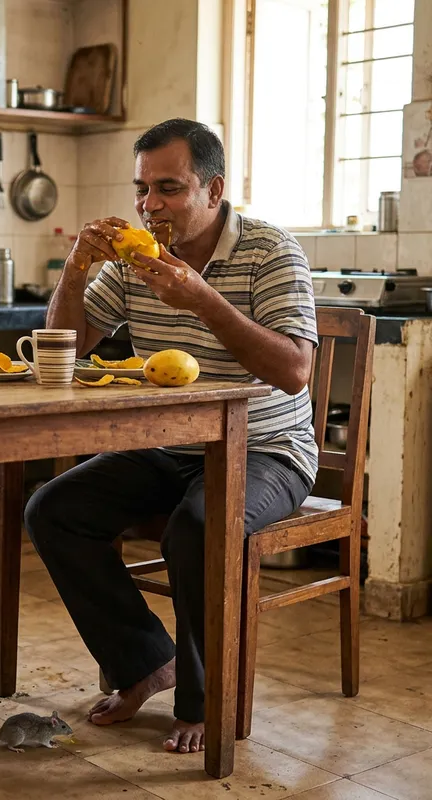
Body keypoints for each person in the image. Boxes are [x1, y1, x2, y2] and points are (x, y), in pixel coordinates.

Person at [25, 119, 318, 754]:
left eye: (169, 189)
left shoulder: (271, 251)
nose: (149, 207)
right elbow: (68, 351)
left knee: (198, 525)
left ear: (213, 190)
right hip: (167, 445)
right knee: (54, 510)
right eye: (141, 191)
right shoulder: (136, 261)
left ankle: (203, 698)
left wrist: (203, 300)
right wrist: (76, 268)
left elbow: (295, 372)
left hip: (266, 449)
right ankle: (143, 663)